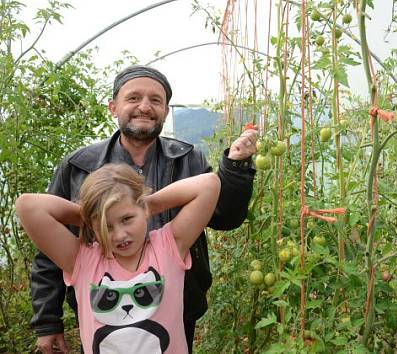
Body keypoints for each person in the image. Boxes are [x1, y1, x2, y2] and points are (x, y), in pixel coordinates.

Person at [30, 65, 257, 354]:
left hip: (175, 307)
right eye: (134, 98)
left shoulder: (188, 159)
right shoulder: (79, 166)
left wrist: (235, 166)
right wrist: (48, 321)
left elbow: (225, 217)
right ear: (114, 107)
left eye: (155, 100)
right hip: (103, 306)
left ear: (165, 110)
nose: (145, 107)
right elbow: (51, 249)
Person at [17, 164, 221, 354]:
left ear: (143, 209)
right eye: (107, 226)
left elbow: (209, 184)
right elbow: (28, 206)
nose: (120, 235)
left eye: (127, 219)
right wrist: (91, 215)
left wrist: (148, 204)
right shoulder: (82, 261)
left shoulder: (168, 246)